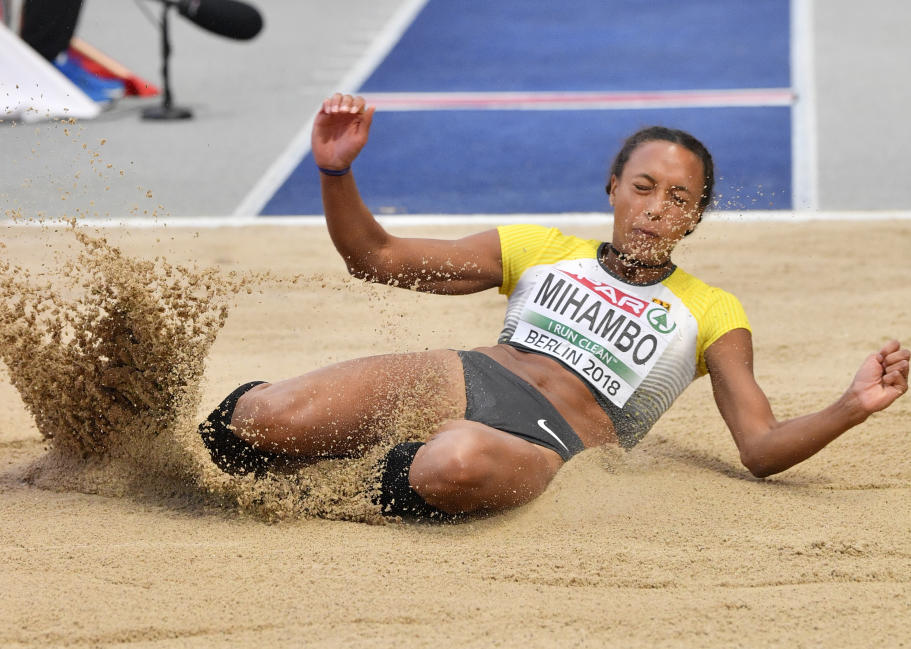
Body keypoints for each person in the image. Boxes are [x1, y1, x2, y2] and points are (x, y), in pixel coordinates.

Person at [198, 93, 910, 520]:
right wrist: (335, 168)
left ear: (694, 219)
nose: (655, 209)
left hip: (551, 439)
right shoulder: (540, 247)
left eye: (678, 199)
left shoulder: (713, 311)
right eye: (642, 186)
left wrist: (849, 403)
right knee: (265, 417)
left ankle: (332, 488)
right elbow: (374, 257)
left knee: (455, 462)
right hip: (465, 376)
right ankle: (198, 460)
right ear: (612, 187)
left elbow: (757, 448)